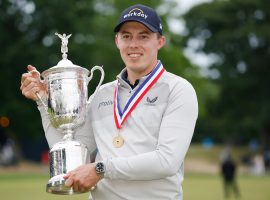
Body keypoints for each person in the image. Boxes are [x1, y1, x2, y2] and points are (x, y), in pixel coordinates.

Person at [20, 4, 198, 200]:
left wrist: (100, 169)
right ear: (117, 41)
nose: (133, 44)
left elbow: (167, 161)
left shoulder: (178, 89)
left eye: (144, 36)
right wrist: (46, 102)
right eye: (126, 36)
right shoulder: (102, 94)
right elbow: (72, 150)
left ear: (160, 41)